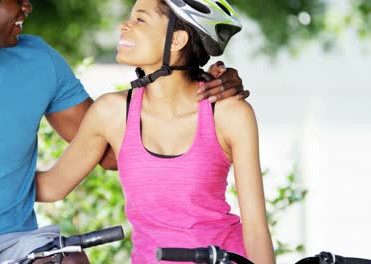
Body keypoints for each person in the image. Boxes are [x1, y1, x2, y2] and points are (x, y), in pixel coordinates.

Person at [0, 0, 248, 263]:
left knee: (74, 260)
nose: (28, 6)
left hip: (19, 248)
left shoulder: (38, 60)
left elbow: (113, 152)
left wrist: (193, 84)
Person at [36, 0, 276, 263]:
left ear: (177, 40)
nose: (124, 26)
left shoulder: (229, 114)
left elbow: (254, 227)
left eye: (140, 20)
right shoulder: (111, 113)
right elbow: (51, 187)